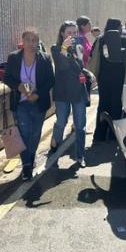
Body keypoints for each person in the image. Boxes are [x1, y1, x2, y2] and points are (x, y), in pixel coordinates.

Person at [3, 28, 55, 181]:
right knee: (24, 134)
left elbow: (50, 80)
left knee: (35, 134)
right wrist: (19, 86)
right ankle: (27, 165)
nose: (31, 43)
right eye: (28, 40)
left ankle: (30, 158)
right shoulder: (14, 58)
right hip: (20, 103)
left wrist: (37, 94)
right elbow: (6, 77)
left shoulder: (45, 59)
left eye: (34, 40)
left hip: (38, 102)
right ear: (23, 41)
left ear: (38, 42)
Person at [50, 21, 91, 167]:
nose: (72, 36)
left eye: (74, 33)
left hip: (78, 90)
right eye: (69, 33)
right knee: (61, 121)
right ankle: (54, 142)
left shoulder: (78, 47)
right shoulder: (55, 49)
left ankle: (80, 156)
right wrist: (64, 48)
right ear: (62, 33)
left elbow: (80, 66)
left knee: (80, 125)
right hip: (62, 91)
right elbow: (61, 66)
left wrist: (86, 71)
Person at [88, 18, 126, 143]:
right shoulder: (125, 38)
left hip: (104, 78)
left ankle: (100, 134)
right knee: (117, 104)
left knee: (103, 104)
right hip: (120, 77)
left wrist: (93, 76)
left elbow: (94, 59)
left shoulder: (101, 38)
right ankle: (114, 135)